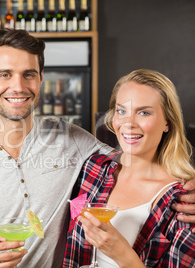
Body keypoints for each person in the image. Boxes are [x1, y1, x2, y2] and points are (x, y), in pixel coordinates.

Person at [0, 29, 195, 268]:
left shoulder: (71, 139)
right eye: (5, 74)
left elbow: (135, 155)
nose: (17, 86)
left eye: (28, 74)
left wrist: (188, 181)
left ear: (40, 78)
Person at [64, 69, 195, 267]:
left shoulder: (183, 202)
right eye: (122, 111)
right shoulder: (93, 169)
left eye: (144, 112)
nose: (128, 123)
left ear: (167, 122)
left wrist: (123, 255)